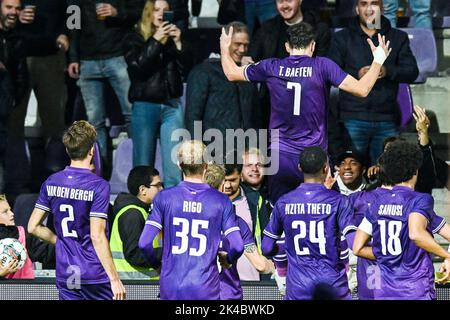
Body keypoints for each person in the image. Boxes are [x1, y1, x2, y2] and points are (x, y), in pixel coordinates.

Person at [221, 21, 392, 204]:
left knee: (280, 211)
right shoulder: (323, 66)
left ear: (287, 46)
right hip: (314, 155)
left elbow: (231, 73)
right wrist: (378, 60)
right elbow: (362, 89)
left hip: (281, 156)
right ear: (312, 46)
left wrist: (224, 48)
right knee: (322, 209)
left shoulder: (271, 66)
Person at [27, 120, 126, 300]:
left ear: (67, 150)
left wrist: (61, 242)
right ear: (92, 150)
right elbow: (97, 236)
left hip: (67, 271)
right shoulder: (98, 186)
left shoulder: (52, 181)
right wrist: (114, 278)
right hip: (94, 274)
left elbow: (33, 227)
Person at [138, 140, 244, 300]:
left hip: (171, 286)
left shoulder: (164, 198)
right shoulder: (221, 201)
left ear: (179, 165)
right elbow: (237, 245)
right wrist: (227, 260)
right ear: (207, 165)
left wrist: (158, 265)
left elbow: (144, 243)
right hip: (205, 288)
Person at [353, 140, 450, 299]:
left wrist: (389, 255)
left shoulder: (377, 203)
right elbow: (416, 234)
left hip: (383, 290)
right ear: (415, 171)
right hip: (415, 289)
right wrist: (447, 256)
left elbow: (357, 248)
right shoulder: (420, 200)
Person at [328, 0, 419, 166]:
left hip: (386, 118)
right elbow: (330, 72)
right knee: (351, 179)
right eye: (364, 4)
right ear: (357, 8)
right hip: (352, 117)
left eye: (374, 3)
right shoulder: (341, 38)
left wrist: (387, 71)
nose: (369, 9)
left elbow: (412, 72)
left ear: (382, 8)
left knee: (387, 174)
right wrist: (357, 75)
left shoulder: (398, 37)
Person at [261, 146, 359, 300]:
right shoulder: (339, 201)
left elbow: (266, 248)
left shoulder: (284, 202)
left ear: (300, 167)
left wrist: (287, 249)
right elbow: (355, 244)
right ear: (325, 168)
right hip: (333, 288)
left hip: (297, 289)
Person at [67, 0, 144, 165]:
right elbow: (72, 27)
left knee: (132, 114)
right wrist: (73, 58)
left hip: (117, 56)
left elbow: (138, 11)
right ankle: (100, 170)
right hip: (87, 61)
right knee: (95, 121)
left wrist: (117, 12)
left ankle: (139, 168)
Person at [124, 0, 191, 188]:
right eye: (156, 10)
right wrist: (156, 40)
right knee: (143, 166)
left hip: (171, 106)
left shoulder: (173, 38)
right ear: (148, 13)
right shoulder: (134, 37)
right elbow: (137, 66)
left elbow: (187, 69)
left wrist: (179, 44)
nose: (161, 14)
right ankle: (140, 211)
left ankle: (171, 208)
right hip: (145, 105)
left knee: (174, 165)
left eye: (166, 10)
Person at [244, 0, 332, 130]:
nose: (284, 5)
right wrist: (247, 61)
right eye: (280, 1)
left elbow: (323, 70)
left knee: (304, 149)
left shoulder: (319, 29)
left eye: (289, 0)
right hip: (271, 106)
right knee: (274, 149)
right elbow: (250, 56)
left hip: (306, 106)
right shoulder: (267, 28)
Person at [203, 163, 276, 300]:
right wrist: (277, 268)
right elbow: (260, 265)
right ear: (223, 186)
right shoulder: (237, 223)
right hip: (227, 294)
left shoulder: (185, 217)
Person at [185, 21, 260, 139]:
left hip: (246, 149)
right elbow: (193, 115)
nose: (242, 49)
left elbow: (255, 116)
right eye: (237, 44)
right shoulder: (203, 72)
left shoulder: (247, 74)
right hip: (213, 148)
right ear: (225, 43)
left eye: (245, 45)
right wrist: (196, 148)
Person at [110, 166, 163, 279]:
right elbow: (134, 254)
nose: (162, 188)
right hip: (134, 285)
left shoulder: (141, 211)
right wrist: (165, 254)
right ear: (143, 190)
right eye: (157, 185)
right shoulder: (132, 214)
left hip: (140, 284)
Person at [0, 0, 27, 193]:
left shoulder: (16, 38)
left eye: (17, 8)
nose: (13, 12)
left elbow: (21, 76)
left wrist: (12, 99)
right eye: (8, 7)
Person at [0, 194, 55, 279]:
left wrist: (72, 248)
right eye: (5, 212)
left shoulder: (22, 235)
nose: (12, 214)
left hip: (23, 290)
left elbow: (47, 252)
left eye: (10, 210)